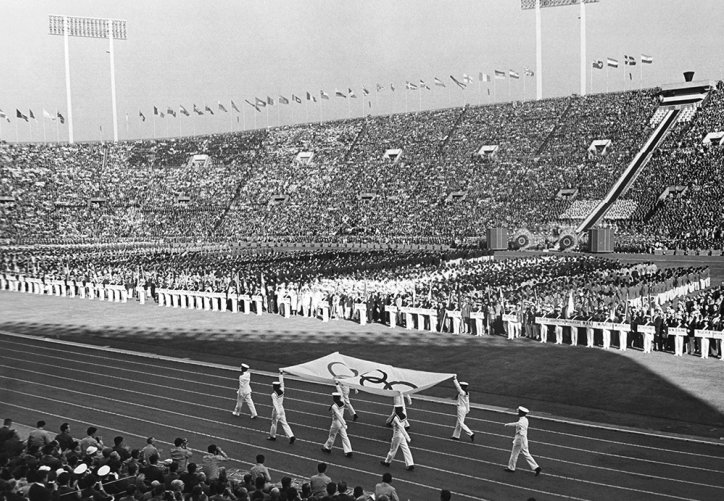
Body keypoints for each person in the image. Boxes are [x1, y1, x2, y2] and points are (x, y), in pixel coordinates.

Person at [504, 406, 541, 476]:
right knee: (514, 453)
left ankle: (536, 467)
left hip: (522, 438)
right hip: (518, 438)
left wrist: (508, 424)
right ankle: (511, 467)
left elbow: (516, 424)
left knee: (526, 453)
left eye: (519, 412)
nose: (518, 413)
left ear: (521, 413)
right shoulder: (524, 419)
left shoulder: (522, 421)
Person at [321, 393, 353, 457]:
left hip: (336, 422)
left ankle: (328, 448)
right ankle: (348, 451)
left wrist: (344, 424)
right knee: (345, 436)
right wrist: (343, 424)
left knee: (332, 435)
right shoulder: (342, 403)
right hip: (341, 423)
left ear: (334, 398)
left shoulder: (334, 406)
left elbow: (338, 415)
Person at [267, 375, 295, 444]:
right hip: (282, 408)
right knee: (285, 423)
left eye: (273, 386)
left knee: (274, 423)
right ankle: (291, 435)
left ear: (275, 387)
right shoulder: (282, 390)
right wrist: (280, 375)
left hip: (277, 411)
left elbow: (275, 404)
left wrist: (278, 413)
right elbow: (282, 383)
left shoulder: (274, 395)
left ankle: (273, 436)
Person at [451, 376, 474, 442]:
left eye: (461, 385)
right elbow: (467, 402)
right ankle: (456, 436)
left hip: (460, 408)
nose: (460, 386)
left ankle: (471, 433)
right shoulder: (467, 392)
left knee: (460, 423)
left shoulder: (462, 392)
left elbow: (457, 387)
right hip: (464, 408)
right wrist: (468, 409)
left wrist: (455, 379)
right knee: (458, 423)